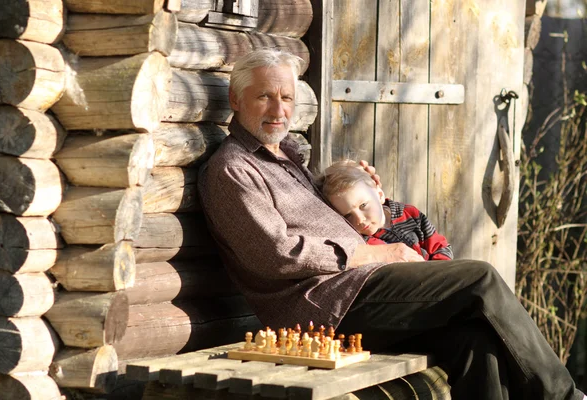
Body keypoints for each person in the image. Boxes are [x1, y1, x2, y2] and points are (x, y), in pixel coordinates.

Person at [198, 49, 585, 399]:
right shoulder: (232, 170)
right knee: (479, 279)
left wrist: (360, 182)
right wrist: (372, 252)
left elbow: (319, 212)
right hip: (324, 305)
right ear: (235, 99)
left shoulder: (286, 158)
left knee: (474, 339)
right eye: (265, 96)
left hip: (357, 288)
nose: (278, 110)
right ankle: (563, 397)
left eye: (286, 98)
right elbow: (275, 255)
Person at [316, 160, 453, 260]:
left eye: (363, 205)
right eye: (348, 215)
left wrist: (441, 268)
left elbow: (439, 245)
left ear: (380, 195)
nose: (359, 219)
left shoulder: (409, 214)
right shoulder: (362, 242)